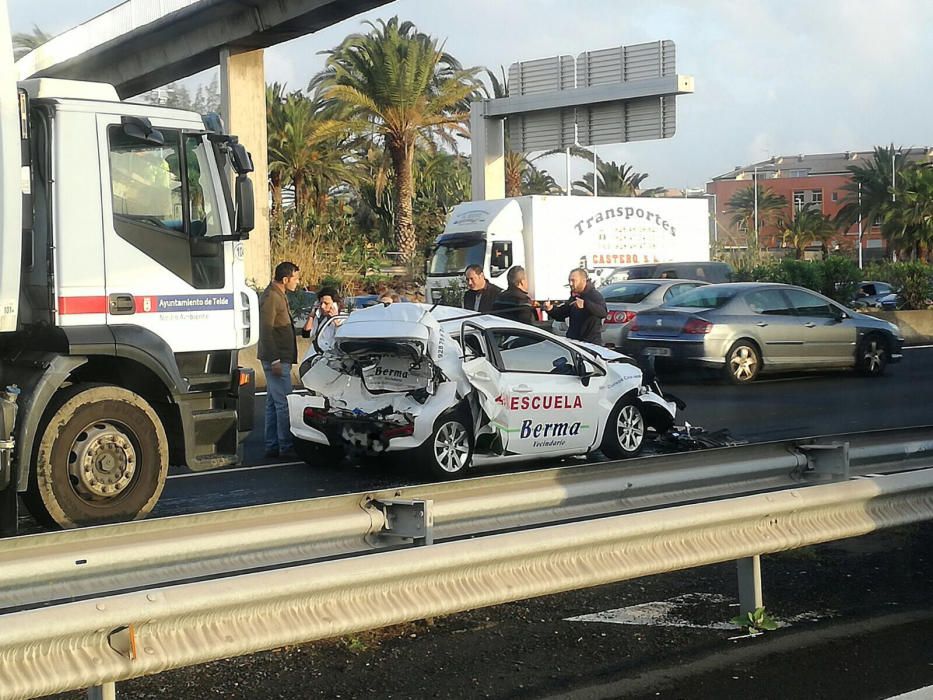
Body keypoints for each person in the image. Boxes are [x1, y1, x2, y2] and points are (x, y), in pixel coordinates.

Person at [259, 261, 301, 458]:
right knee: (284, 403)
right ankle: (285, 445)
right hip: (276, 358)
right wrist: (275, 359)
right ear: (285, 279)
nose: (297, 282)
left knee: (272, 402)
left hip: (280, 357)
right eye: (296, 278)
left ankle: (273, 444)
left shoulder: (278, 295)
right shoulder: (271, 297)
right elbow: (265, 330)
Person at [545, 268, 607, 345]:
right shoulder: (574, 296)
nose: (570, 284)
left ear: (583, 280)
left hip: (590, 343)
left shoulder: (594, 295)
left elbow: (603, 312)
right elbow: (562, 314)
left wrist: (585, 305)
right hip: (574, 342)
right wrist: (550, 309)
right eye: (569, 280)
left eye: (573, 280)